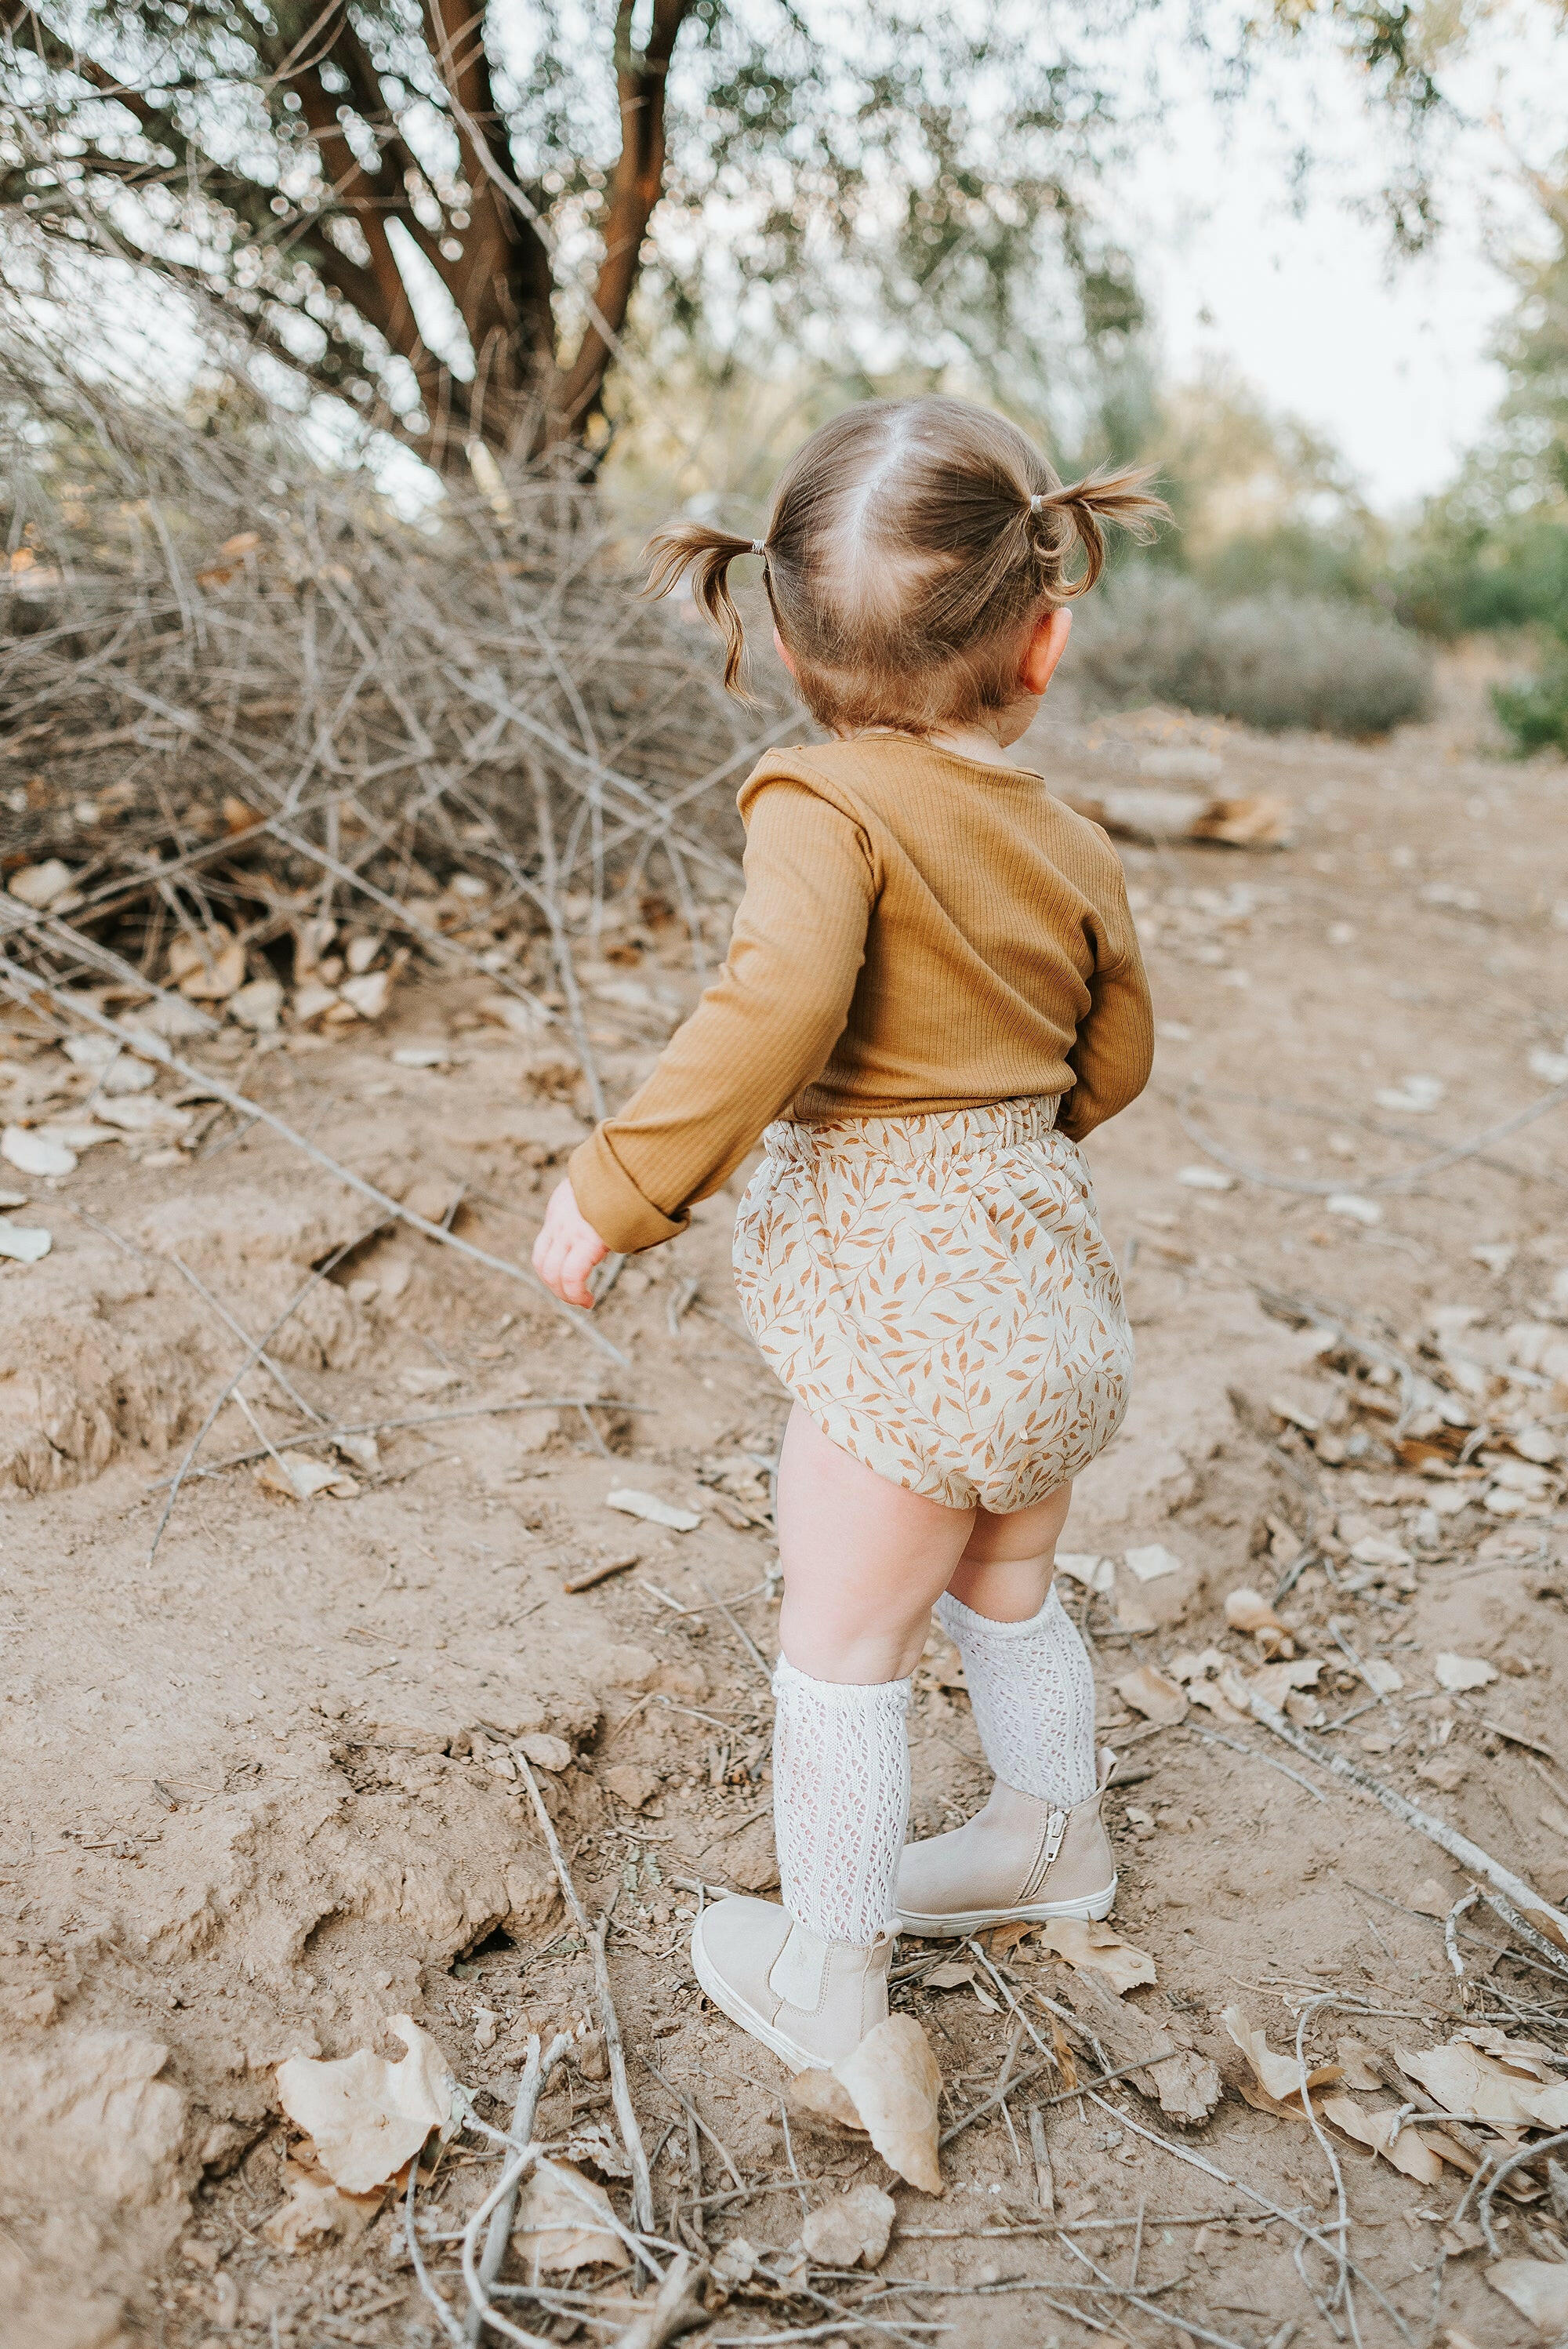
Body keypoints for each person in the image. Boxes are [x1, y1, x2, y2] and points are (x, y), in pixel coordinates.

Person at [533, 394, 1165, 2071]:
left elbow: (776, 1003)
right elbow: (1119, 1049)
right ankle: (1049, 1838)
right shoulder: (1071, 833)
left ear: (787, 642)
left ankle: (831, 1966)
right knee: (1007, 1582)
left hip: (908, 1296)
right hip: (1045, 1275)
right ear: (1041, 643)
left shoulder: (816, 800)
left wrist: (616, 1182)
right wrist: (1016, 1147)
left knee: (846, 1623)